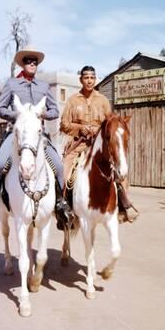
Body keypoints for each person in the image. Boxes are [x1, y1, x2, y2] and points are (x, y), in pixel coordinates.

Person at [0, 46, 72, 253]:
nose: (31, 64)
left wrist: (42, 116)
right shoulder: (12, 84)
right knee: (0, 163)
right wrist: (17, 117)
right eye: (28, 61)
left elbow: (54, 110)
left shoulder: (44, 86)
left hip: (38, 135)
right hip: (16, 133)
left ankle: (61, 203)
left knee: (59, 165)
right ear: (22, 64)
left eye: (35, 62)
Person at [60, 65, 139, 223]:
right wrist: (81, 128)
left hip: (99, 147)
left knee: (118, 170)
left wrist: (96, 129)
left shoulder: (102, 100)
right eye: (86, 78)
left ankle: (124, 206)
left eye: (92, 78)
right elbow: (64, 124)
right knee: (64, 172)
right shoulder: (72, 100)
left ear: (95, 79)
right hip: (78, 145)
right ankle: (64, 206)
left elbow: (110, 123)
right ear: (81, 80)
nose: (89, 81)